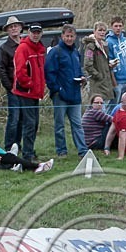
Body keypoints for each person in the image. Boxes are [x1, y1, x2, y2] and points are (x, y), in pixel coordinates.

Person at [44, 24, 88, 158]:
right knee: (60, 125)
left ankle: (82, 150)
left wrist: (82, 78)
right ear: (62, 36)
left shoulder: (76, 52)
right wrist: (57, 89)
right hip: (60, 95)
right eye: (67, 36)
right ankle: (61, 150)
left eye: (71, 36)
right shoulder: (55, 52)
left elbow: (78, 69)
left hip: (74, 94)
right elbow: (49, 73)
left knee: (77, 124)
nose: (69, 38)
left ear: (75, 37)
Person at [0, 109, 53, 173]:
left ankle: (16, 167)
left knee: (10, 161)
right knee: (11, 158)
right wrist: (5, 154)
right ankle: (37, 166)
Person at [13, 22, 47, 163]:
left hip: (35, 93)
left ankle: (29, 150)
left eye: (38, 32)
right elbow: (20, 72)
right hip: (25, 92)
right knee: (30, 124)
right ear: (28, 32)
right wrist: (30, 84)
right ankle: (27, 154)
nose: (35, 35)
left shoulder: (40, 49)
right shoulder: (23, 48)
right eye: (33, 32)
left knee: (34, 124)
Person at [0, 15, 24, 151]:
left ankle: (18, 145)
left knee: (23, 119)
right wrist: (9, 87)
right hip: (13, 88)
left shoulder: (25, 44)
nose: (14, 29)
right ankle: (8, 147)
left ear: (20, 28)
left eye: (15, 26)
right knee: (14, 118)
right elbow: (1, 69)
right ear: (7, 30)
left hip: (26, 88)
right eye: (11, 27)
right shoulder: (4, 48)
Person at [82, 22, 115, 105]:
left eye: (104, 30)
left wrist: (110, 65)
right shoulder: (91, 46)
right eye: (100, 30)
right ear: (94, 31)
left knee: (106, 109)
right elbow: (88, 65)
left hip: (106, 82)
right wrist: (98, 75)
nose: (102, 32)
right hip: (97, 83)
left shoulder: (104, 45)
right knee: (98, 108)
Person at [106, 16, 126, 104]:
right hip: (116, 79)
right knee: (113, 106)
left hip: (125, 79)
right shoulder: (109, 41)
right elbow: (109, 63)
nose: (118, 28)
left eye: (120, 26)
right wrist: (114, 83)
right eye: (116, 26)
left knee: (123, 105)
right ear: (112, 26)